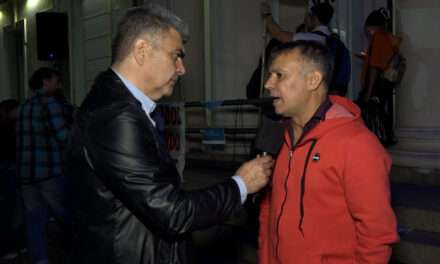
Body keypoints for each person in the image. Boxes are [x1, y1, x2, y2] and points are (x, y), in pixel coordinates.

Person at [66, 5, 273, 264]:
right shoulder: (116, 116)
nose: (182, 68)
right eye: (176, 56)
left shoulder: (120, 103)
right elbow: (172, 212)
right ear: (141, 51)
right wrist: (241, 185)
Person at [258, 41, 399, 264]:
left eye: (279, 75)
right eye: (269, 75)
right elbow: (270, 209)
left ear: (313, 80)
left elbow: (377, 235)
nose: (268, 84)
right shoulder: (283, 137)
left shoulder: (357, 144)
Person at [16, 67, 72, 264]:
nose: (59, 84)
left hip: (26, 174)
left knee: (34, 221)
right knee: (66, 215)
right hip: (49, 172)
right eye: (56, 80)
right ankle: (78, 254)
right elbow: (63, 137)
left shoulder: (23, 107)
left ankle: (40, 260)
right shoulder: (49, 104)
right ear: (45, 82)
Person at [261, 1, 351, 96]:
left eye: (308, 16)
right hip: (333, 91)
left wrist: (267, 15)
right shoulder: (333, 40)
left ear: (314, 18)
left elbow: (279, 34)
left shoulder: (311, 38)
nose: (305, 20)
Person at [358, 8, 401, 146]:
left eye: (368, 28)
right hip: (385, 86)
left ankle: (378, 142)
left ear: (372, 26)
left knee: (371, 114)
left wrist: (368, 92)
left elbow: (375, 67)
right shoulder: (388, 39)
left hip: (376, 86)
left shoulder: (378, 38)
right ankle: (386, 137)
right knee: (382, 113)